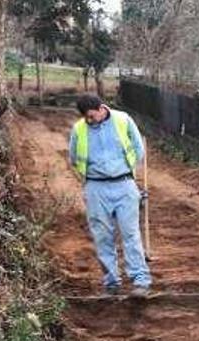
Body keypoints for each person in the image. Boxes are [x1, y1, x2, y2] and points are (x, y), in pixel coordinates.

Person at [68, 94, 152, 297]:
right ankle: (111, 282)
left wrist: (125, 172)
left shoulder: (123, 119)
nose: (89, 120)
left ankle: (140, 280)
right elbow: (73, 158)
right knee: (102, 236)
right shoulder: (79, 128)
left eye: (91, 116)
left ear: (100, 109)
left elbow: (138, 150)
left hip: (124, 184)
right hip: (96, 188)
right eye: (85, 117)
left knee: (130, 234)